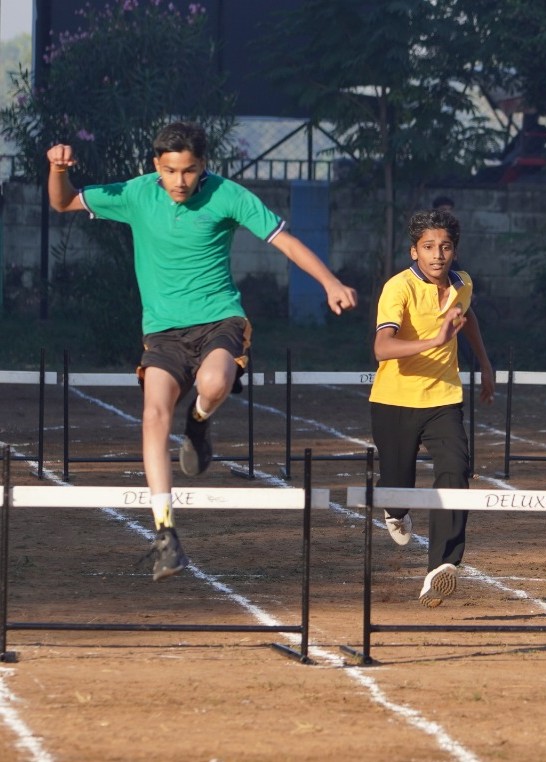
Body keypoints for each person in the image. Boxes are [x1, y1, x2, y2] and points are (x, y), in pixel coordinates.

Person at [45, 122, 358, 581]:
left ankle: (198, 421)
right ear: (156, 166)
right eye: (170, 171)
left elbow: (285, 241)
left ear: (203, 166)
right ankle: (165, 534)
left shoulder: (227, 195)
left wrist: (329, 282)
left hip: (219, 321)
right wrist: (57, 170)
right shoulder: (136, 194)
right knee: (153, 414)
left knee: (213, 383)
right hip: (162, 333)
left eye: (189, 171)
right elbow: (63, 201)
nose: (180, 181)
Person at [369, 209, 495, 607]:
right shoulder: (398, 288)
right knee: (397, 486)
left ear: (454, 251)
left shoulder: (462, 283)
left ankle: (442, 566)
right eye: (428, 247)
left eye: (445, 247)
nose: (437, 255)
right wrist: (435, 341)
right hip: (394, 400)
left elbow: (467, 317)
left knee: (455, 470)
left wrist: (485, 363)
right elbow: (382, 347)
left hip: (444, 398)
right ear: (414, 251)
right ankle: (395, 510)